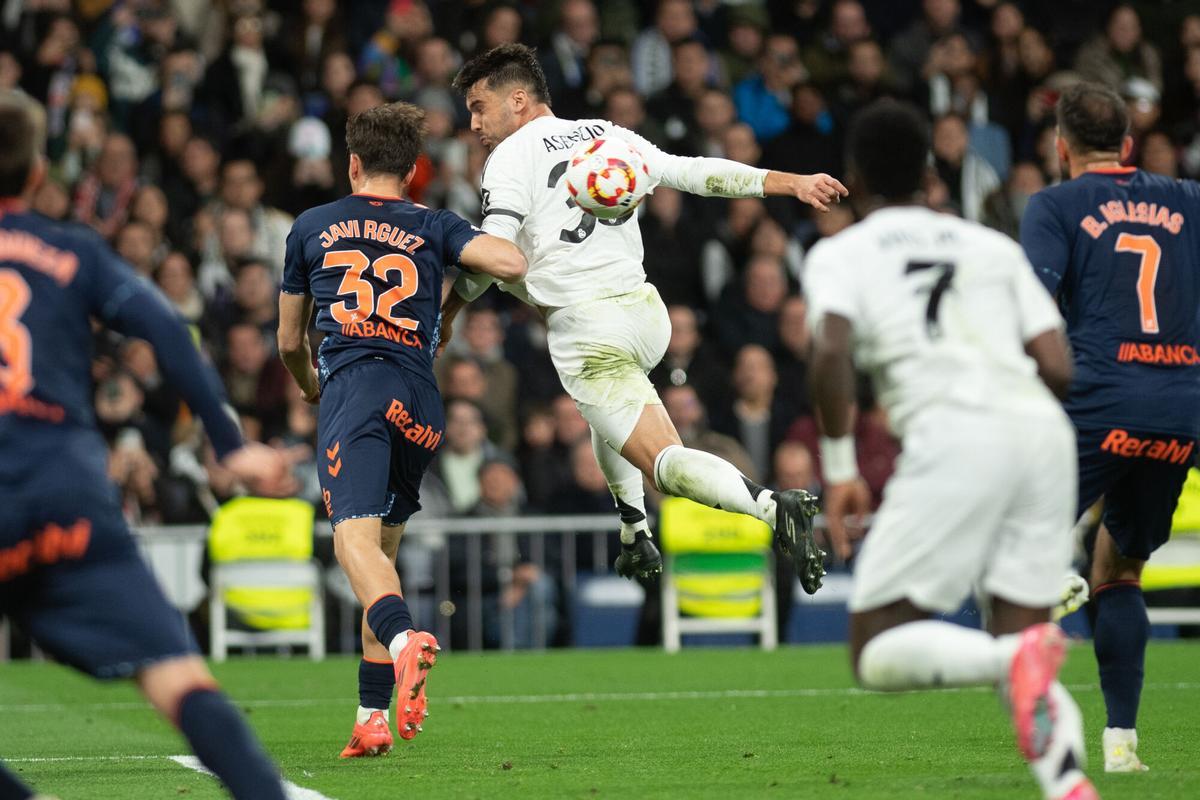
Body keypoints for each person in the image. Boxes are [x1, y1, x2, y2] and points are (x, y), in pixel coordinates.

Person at [446, 44, 844, 594]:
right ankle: (635, 530)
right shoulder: (605, 133)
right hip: (644, 313)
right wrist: (789, 182)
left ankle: (775, 508)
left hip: (587, 328)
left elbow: (495, 255)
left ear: (517, 100)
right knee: (608, 415)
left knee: (662, 461)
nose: (474, 123)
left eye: (478, 106)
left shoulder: (511, 159)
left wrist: (449, 311)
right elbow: (694, 172)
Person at [0, 91, 295, 800]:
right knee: (175, 676)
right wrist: (230, 444)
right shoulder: (72, 251)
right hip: (65, 489)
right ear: (39, 171)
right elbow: (166, 328)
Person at [810, 98, 1096, 800]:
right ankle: (1067, 786)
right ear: (931, 173)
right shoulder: (990, 246)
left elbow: (829, 355)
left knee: (877, 648)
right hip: (1043, 435)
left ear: (854, 176)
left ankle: (1015, 659)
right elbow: (1058, 365)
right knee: (1022, 637)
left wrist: (842, 469)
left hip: (955, 435)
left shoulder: (840, 253)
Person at [276, 101, 525, 759]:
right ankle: (370, 715)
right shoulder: (431, 222)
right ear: (413, 170)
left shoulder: (312, 225)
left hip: (354, 388)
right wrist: (455, 275)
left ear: (352, 163)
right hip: (419, 399)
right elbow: (511, 264)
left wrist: (308, 385)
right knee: (378, 560)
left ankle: (404, 639)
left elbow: (287, 341)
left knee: (351, 546)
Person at [1020, 81, 1200, 774]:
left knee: (1012, 537)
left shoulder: (1055, 204)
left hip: (1097, 399)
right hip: (1179, 406)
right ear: (1128, 145)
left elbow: (1032, 305)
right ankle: (1121, 746)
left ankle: (1049, 568)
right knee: (1120, 568)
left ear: (1061, 146)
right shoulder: (1188, 201)